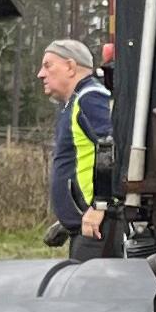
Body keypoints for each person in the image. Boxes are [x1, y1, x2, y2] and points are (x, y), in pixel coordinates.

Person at [40, 38, 116, 253]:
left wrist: (100, 205)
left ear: (70, 67)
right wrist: (67, 220)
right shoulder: (75, 101)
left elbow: (110, 148)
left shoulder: (90, 97)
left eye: (48, 65)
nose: (41, 74)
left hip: (97, 228)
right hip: (84, 225)